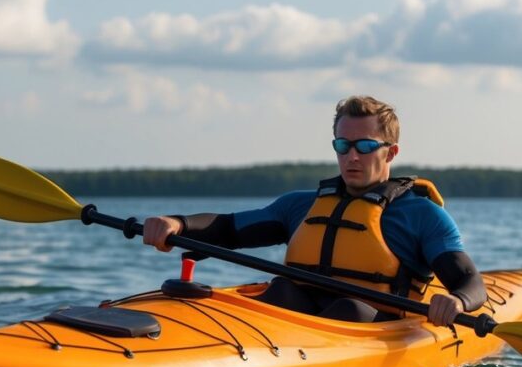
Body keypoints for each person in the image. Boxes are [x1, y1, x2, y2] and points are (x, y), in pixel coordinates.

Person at [142, 96, 487, 326]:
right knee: (279, 291)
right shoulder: (301, 205)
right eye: (343, 145)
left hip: (369, 330)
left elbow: (470, 281)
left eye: (365, 146)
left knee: (349, 308)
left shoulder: (421, 215)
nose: (352, 156)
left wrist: (456, 301)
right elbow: (230, 229)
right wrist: (178, 224)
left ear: (391, 153)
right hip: (295, 326)